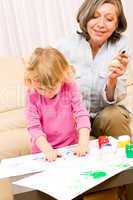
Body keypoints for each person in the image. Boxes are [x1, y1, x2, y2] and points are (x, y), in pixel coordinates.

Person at [55, 0, 131, 138]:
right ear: (86, 16)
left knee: (114, 115)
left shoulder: (122, 46)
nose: (100, 24)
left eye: (109, 19)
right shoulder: (64, 46)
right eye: (95, 16)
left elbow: (115, 98)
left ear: (116, 24)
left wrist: (112, 79)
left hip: (103, 116)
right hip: (73, 117)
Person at [25, 47, 91, 162]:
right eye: (41, 88)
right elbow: (34, 128)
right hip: (44, 151)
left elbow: (82, 115)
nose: (46, 93)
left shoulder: (70, 87)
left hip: (70, 146)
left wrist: (83, 143)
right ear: (31, 80)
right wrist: (47, 150)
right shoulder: (32, 95)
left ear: (62, 77)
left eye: (52, 88)